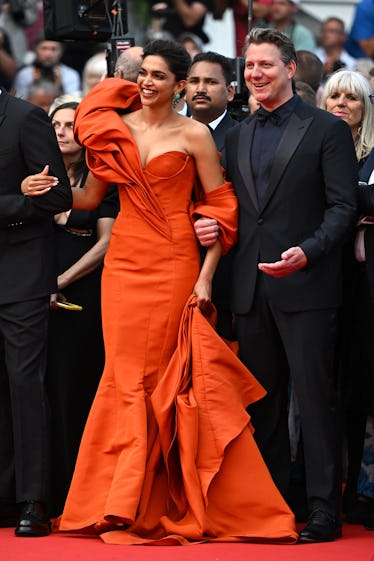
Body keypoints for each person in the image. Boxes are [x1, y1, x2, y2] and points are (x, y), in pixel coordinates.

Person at [24, 38, 297, 545]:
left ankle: (165, 497)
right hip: (124, 262)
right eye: (142, 73)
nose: (146, 82)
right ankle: (119, 500)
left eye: (158, 76)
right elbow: (88, 196)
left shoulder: (194, 135)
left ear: (177, 86)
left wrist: (206, 274)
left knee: (166, 374)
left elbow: (220, 206)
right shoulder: (117, 130)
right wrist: (41, 192)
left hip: (175, 263)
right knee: (123, 374)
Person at [194, 28, 358, 542]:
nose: (256, 74)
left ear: (290, 68)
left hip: (307, 285)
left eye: (266, 65)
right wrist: (211, 225)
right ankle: (271, 505)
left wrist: (308, 250)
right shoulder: (237, 134)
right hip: (250, 287)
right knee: (261, 403)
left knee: (312, 399)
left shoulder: (326, 129)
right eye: (249, 67)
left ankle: (323, 508)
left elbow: (343, 206)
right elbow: (237, 210)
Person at [0, 77, 72, 537]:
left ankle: (33, 499)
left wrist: (27, 201)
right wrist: (15, 199)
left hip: (20, 277)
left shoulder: (26, 118)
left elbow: (59, 197)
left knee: (25, 384)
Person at [45, 101, 118, 516]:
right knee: (45, 392)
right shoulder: (41, 179)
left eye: (70, 125)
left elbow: (106, 244)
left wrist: (62, 281)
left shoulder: (102, 180)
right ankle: (46, 491)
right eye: (55, 124)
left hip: (83, 297)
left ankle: (79, 492)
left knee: (75, 389)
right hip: (37, 298)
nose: (61, 131)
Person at [320, 69, 374, 528]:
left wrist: (350, 196)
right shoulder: (313, 143)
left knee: (361, 389)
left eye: (352, 98)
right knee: (324, 388)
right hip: (323, 278)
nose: (342, 103)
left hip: (365, 289)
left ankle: (361, 489)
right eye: (334, 95)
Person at [186, 51, 238, 340]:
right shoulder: (168, 132)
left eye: (210, 81)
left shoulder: (242, 137)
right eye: (193, 80)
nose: (200, 88)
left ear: (230, 91)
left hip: (226, 268)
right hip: (171, 258)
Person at [13, 33, 81, 100]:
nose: (48, 54)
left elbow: (71, 104)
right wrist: (34, 87)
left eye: (53, 49)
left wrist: (59, 87)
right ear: (36, 49)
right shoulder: (25, 74)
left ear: (61, 51)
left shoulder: (71, 75)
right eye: (44, 48)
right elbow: (19, 103)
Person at [315, 17, 356, 82]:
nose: (326, 34)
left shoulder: (352, 64)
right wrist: (321, 72)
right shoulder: (313, 58)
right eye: (324, 30)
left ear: (343, 36)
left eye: (331, 31)